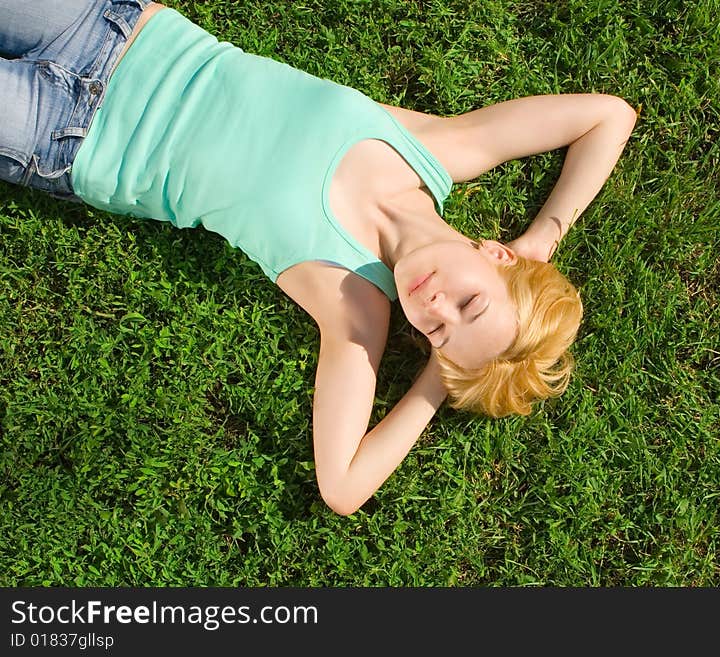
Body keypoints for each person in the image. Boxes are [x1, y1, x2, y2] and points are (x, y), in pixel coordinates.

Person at [0, 0, 637, 514]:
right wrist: (543, 237)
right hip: (113, 23)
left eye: (440, 331)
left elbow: (343, 487)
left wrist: (439, 381)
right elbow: (608, 117)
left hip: (67, 133)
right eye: (470, 302)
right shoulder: (437, 147)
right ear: (495, 255)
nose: (433, 306)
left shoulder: (353, 305)